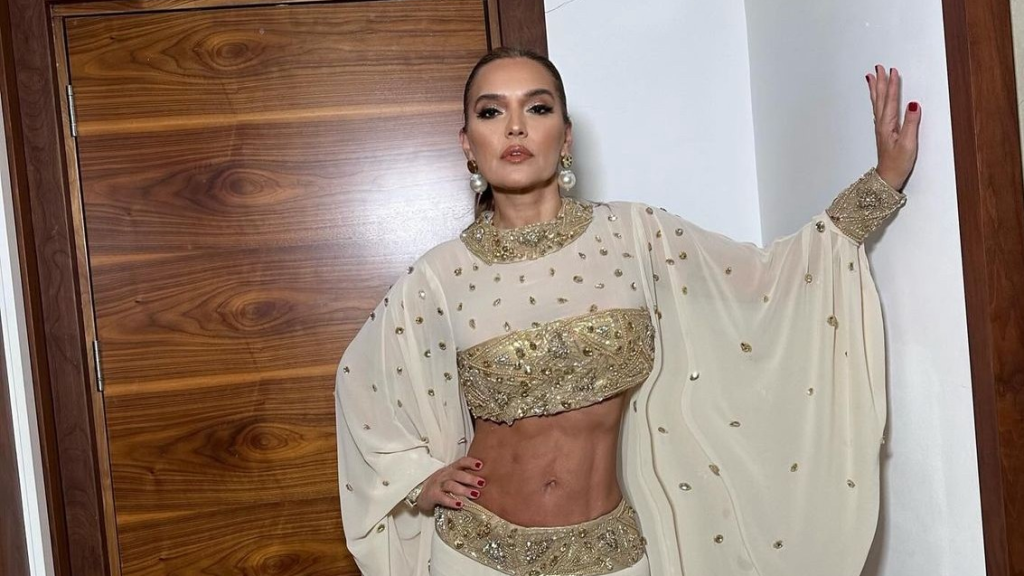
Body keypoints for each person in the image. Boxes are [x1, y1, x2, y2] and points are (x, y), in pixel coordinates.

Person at [334, 47, 921, 576]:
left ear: (565, 137)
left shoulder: (635, 236)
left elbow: (762, 283)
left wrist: (882, 182)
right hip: (475, 553)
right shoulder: (439, 276)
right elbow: (362, 384)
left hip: (610, 554)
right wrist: (416, 479)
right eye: (491, 112)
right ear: (468, 144)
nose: (515, 126)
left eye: (537, 108)